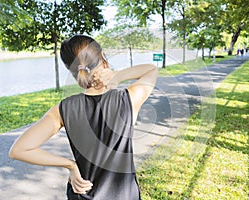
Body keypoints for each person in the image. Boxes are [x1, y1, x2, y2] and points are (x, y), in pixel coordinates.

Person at [9, 35, 158, 199]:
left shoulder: (63, 109)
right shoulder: (128, 99)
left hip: (82, 194)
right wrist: (117, 75)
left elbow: (19, 149)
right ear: (104, 60)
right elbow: (151, 70)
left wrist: (70, 165)